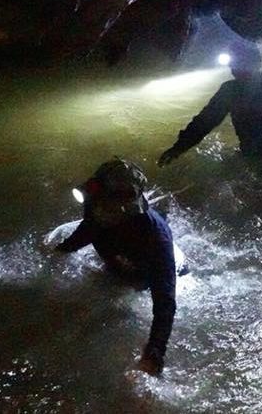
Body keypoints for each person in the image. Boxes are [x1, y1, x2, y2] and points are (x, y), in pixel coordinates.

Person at [55, 158, 179, 376]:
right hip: (119, 262)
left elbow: (165, 303)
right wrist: (62, 250)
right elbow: (86, 231)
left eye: (106, 206)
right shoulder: (96, 210)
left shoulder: (155, 238)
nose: (98, 210)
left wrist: (154, 351)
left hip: (148, 275)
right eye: (98, 202)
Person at [157, 40, 262, 168]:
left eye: (240, 61)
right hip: (259, 156)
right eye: (234, 62)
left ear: (256, 63)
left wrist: (178, 149)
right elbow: (204, 122)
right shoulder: (230, 90)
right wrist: (178, 148)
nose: (235, 67)